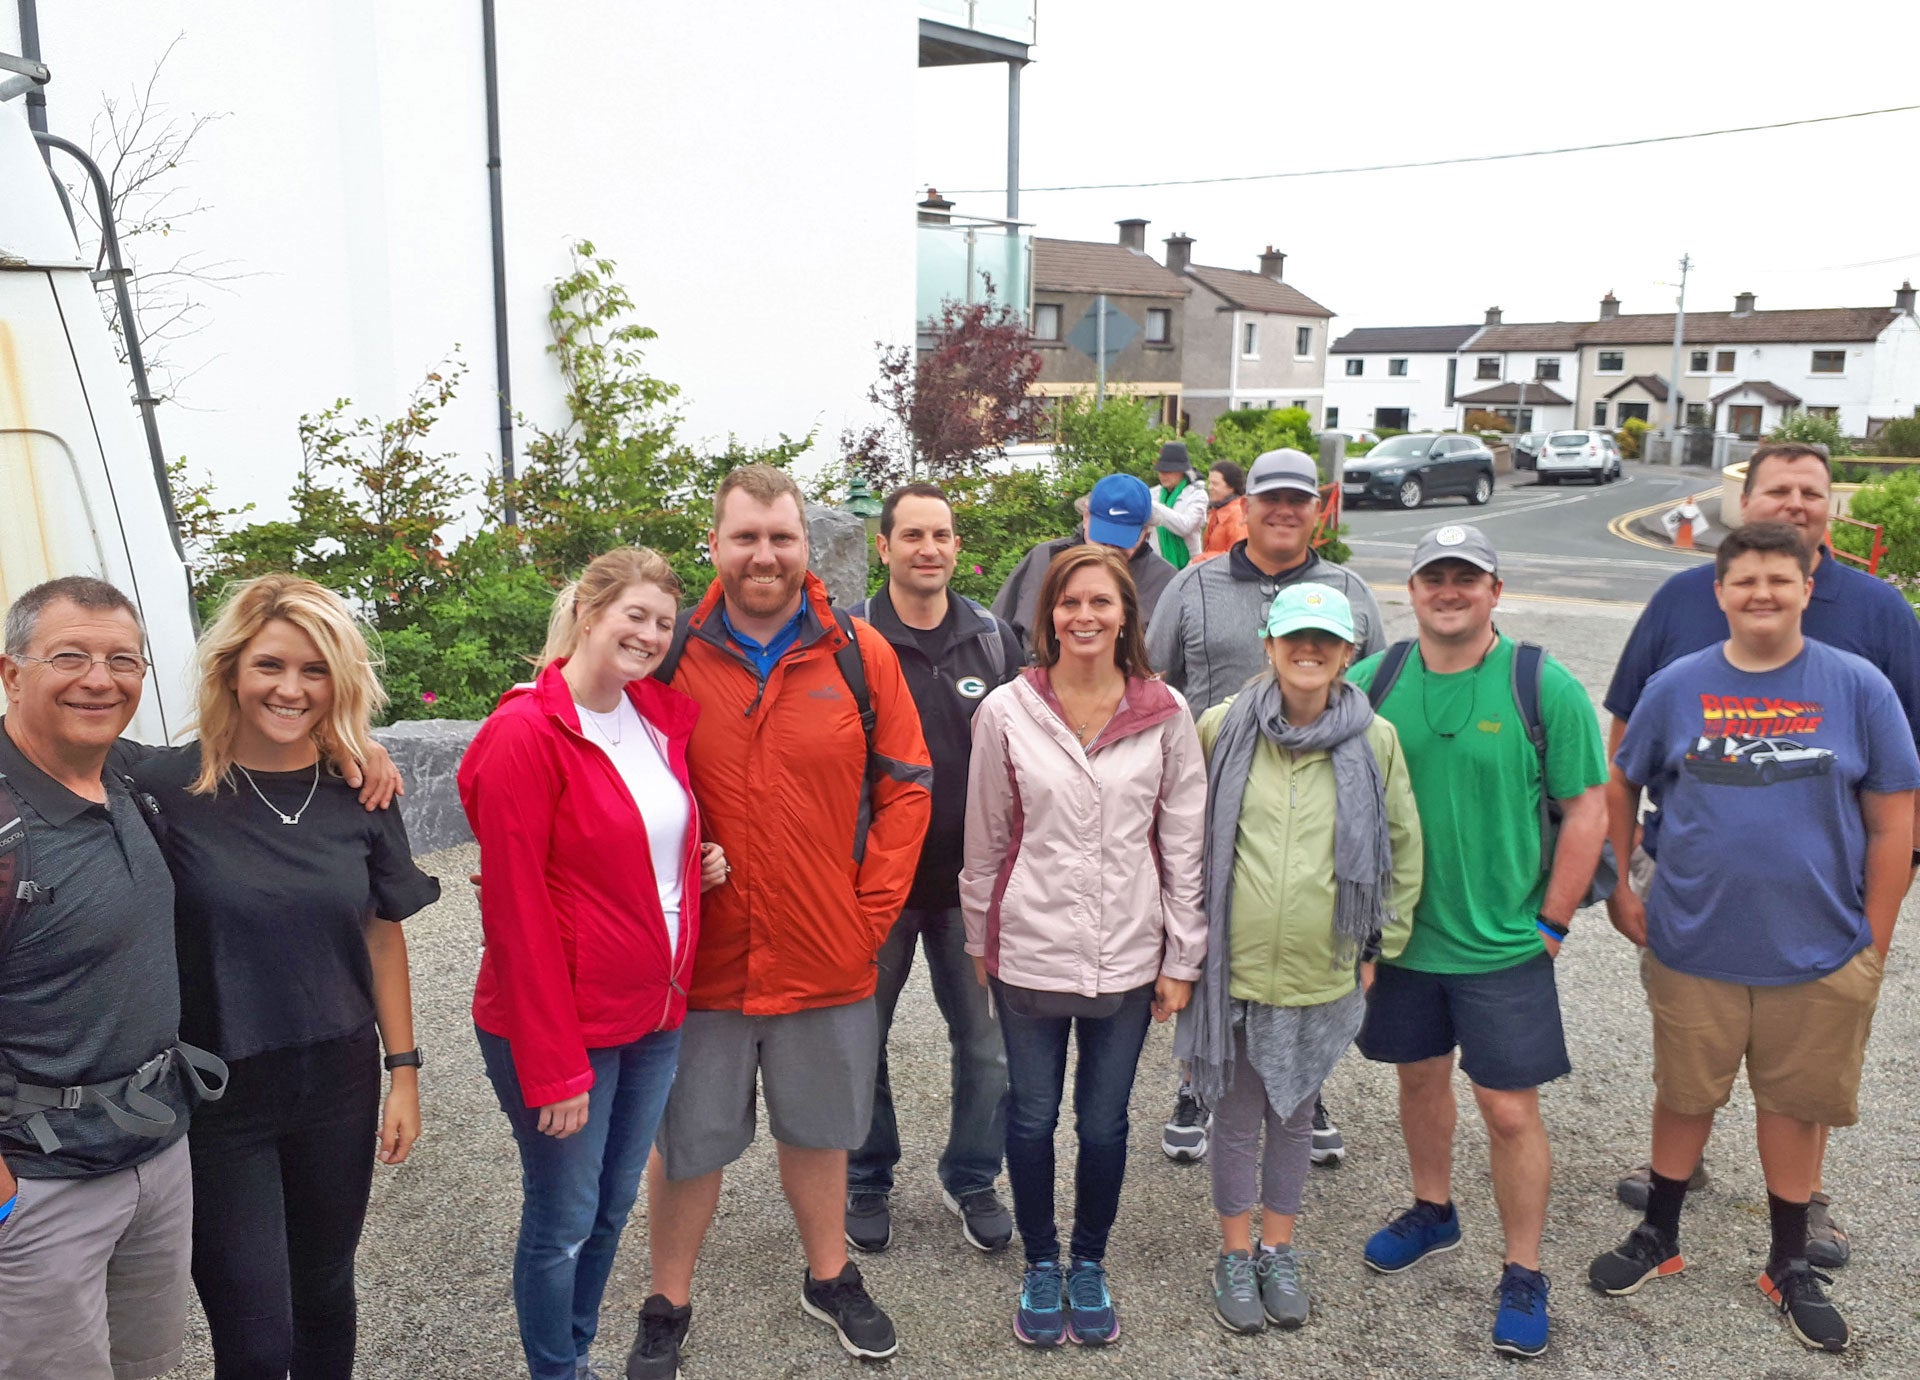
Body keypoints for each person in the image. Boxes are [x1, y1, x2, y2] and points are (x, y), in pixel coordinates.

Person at [1588, 522, 1917, 1355]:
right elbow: (1619, 782)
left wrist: (1873, 940)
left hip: (1818, 950)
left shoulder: (1858, 687)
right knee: (1684, 1092)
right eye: (1746, 581)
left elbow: (1893, 820)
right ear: (1720, 592)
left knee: (1798, 1105)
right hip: (1693, 940)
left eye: (1781, 578)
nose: (1763, 593)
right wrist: (1623, 886)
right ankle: (1659, 1234)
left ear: (1809, 587)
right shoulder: (1677, 685)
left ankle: (1788, 1260)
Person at [95, 575, 435, 1380]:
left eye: (316, 671)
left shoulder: (361, 790)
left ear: (340, 681)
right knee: (254, 1338)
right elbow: (39, 732)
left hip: (337, 1083)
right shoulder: (163, 785)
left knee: (324, 1296)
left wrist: (405, 1073)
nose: (292, 689)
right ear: (232, 671)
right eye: (272, 666)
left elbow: (382, 936)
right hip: (219, 1097)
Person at [634, 465, 931, 1376]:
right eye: (746, 537)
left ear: (807, 545)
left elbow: (908, 787)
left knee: (821, 1129)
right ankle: (667, 1298)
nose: (764, 554)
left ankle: (829, 1274)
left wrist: (866, 913)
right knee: (688, 1143)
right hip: (703, 957)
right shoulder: (669, 652)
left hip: (824, 953)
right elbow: (585, 745)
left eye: (781, 537)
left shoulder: (856, 652)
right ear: (715, 546)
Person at [1346, 524, 1608, 1360]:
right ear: (1412, 591)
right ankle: (1434, 1209)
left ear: (1496, 591)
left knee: (1507, 1110)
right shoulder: (1372, 681)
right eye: (1435, 577)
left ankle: (1524, 1269)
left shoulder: (1541, 684)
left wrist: (1554, 923)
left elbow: (1588, 809)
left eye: (1468, 577)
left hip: (1505, 946)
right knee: (1420, 1081)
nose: (1449, 590)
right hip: (1403, 944)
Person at [460, 549, 721, 1380]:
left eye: (662, 622)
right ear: (588, 613)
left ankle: (571, 1355)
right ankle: (558, 1370)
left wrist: (695, 860)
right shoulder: (523, 734)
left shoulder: (653, 718)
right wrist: (554, 1066)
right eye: (633, 616)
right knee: (564, 1214)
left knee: (609, 1209)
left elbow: (633, 845)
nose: (648, 635)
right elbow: (516, 913)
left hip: (654, 1013)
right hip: (564, 1028)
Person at [960, 543, 1207, 1349]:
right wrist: (977, 941)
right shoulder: (1006, 712)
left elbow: (1182, 844)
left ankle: (1088, 1263)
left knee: (1103, 1125)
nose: (1085, 616)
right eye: (1070, 604)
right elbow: (986, 842)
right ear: (1049, 617)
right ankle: (1041, 1263)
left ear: (1127, 615)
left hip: (1130, 958)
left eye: (1102, 602)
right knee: (1030, 1119)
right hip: (1029, 951)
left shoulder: (1164, 712)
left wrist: (1182, 959)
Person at [1179, 584, 1423, 1335]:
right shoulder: (1219, 727)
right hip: (1234, 970)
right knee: (1237, 1118)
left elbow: (1402, 847)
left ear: (1349, 653)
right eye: (1295, 638)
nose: (1309, 651)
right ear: (1269, 647)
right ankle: (1233, 1251)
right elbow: (1185, 843)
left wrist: (1383, 942)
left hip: (1325, 967)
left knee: (1294, 1116)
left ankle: (1278, 1248)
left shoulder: (1374, 738)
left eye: (1326, 640)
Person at [0, 577, 226, 1380]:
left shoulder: (129, 780)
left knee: (146, 1365)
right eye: (70, 656)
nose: (100, 679)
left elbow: (251, 757)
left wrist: (348, 744)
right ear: (12, 674)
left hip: (156, 1149)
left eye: (122, 660)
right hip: (39, 1179)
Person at [1149, 446, 1386, 1168]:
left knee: (1304, 947)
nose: (1284, 510)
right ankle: (1200, 1079)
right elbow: (1155, 684)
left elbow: (1377, 697)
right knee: (1212, 943)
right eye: (1269, 498)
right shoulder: (1192, 586)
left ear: (1319, 508)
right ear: (1243, 507)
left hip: (1316, 806)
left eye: (1299, 499)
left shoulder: (1347, 589)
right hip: (1216, 801)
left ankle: (1302, 1088)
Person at [844, 483, 1022, 1255]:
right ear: (883, 547)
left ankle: (973, 1176)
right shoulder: (844, 639)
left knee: (987, 1046)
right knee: (858, 1039)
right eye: (911, 534)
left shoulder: (994, 640)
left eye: (941, 534)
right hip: (871, 885)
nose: (928, 548)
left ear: (955, 546)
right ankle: (864, 1175)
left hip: (968, 887)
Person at [991, 472, 1176, 651]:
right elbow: (997, 634)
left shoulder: (1166, 582)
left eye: (1121, 541)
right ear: (1086, 518)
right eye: (1102, 537)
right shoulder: (1043, 559)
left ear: (1146, 532)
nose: (1109, 548)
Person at [1148, 441, 1208, 569]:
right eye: (1160, 470)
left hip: (1190, 567)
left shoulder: (1197, 495)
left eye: (1168, 471)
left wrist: (1152, 505)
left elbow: (1185, 526)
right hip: (1158, 567)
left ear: (1182, 471)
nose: (1162, 475)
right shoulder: (1153, 493)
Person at [1197, 461, 1249, 562]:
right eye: (1210, 483)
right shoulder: (1216, 511)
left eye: (1215, 484)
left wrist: (1201, 559)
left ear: (1231, 487)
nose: (1210, 488)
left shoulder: (1238, 515)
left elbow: (1238, 557)